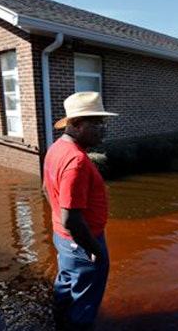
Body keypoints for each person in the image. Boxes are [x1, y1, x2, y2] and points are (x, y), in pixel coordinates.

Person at [42, 91, 118, 331]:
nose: (103, 129)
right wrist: (94, 250)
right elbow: (72, 220)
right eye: (96, 124)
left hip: (64, 239)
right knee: (85, 302)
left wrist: (59, 223)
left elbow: (45, 188)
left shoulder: (56, 149)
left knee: (66, 284)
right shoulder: (76, 162)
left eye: (103, 123)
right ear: (75, 125)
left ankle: (59, 323)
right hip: (82, 242)